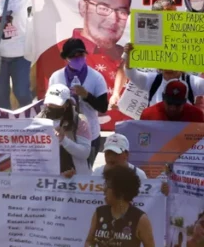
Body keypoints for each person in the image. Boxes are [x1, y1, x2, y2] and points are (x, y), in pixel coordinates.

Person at [48, 37, 110, 166]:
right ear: (66, 58)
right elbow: (49, 106)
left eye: (80, 55)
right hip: (63, 133)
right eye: (73, 56)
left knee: (85, 172)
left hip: (89, 133)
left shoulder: (96, 77)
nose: (78, 59)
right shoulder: (56, 77)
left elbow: (103, 107)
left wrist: (86, 95)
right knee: (64, 171)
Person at [85, 164, 155, 246]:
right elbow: (89, 241)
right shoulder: (99, 213)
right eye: (105, 185)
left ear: (120, 191)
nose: (104, 189)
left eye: (108, 186)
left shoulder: (140, 219)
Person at [41, 83, 93, 175]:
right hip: (49, 176)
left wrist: (63, 140)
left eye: (57, 104)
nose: (53, 107)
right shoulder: (38, 119)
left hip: (76, 177)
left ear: (67, 104)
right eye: (51, 103)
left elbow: (85, 153)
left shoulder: (79, 121)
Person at [139, 80, 204, 122]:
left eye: (178, 104)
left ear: (185, 102)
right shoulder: (148, 115)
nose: (173, 108)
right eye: (169, 103)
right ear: (163, 99)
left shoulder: (196, 116)